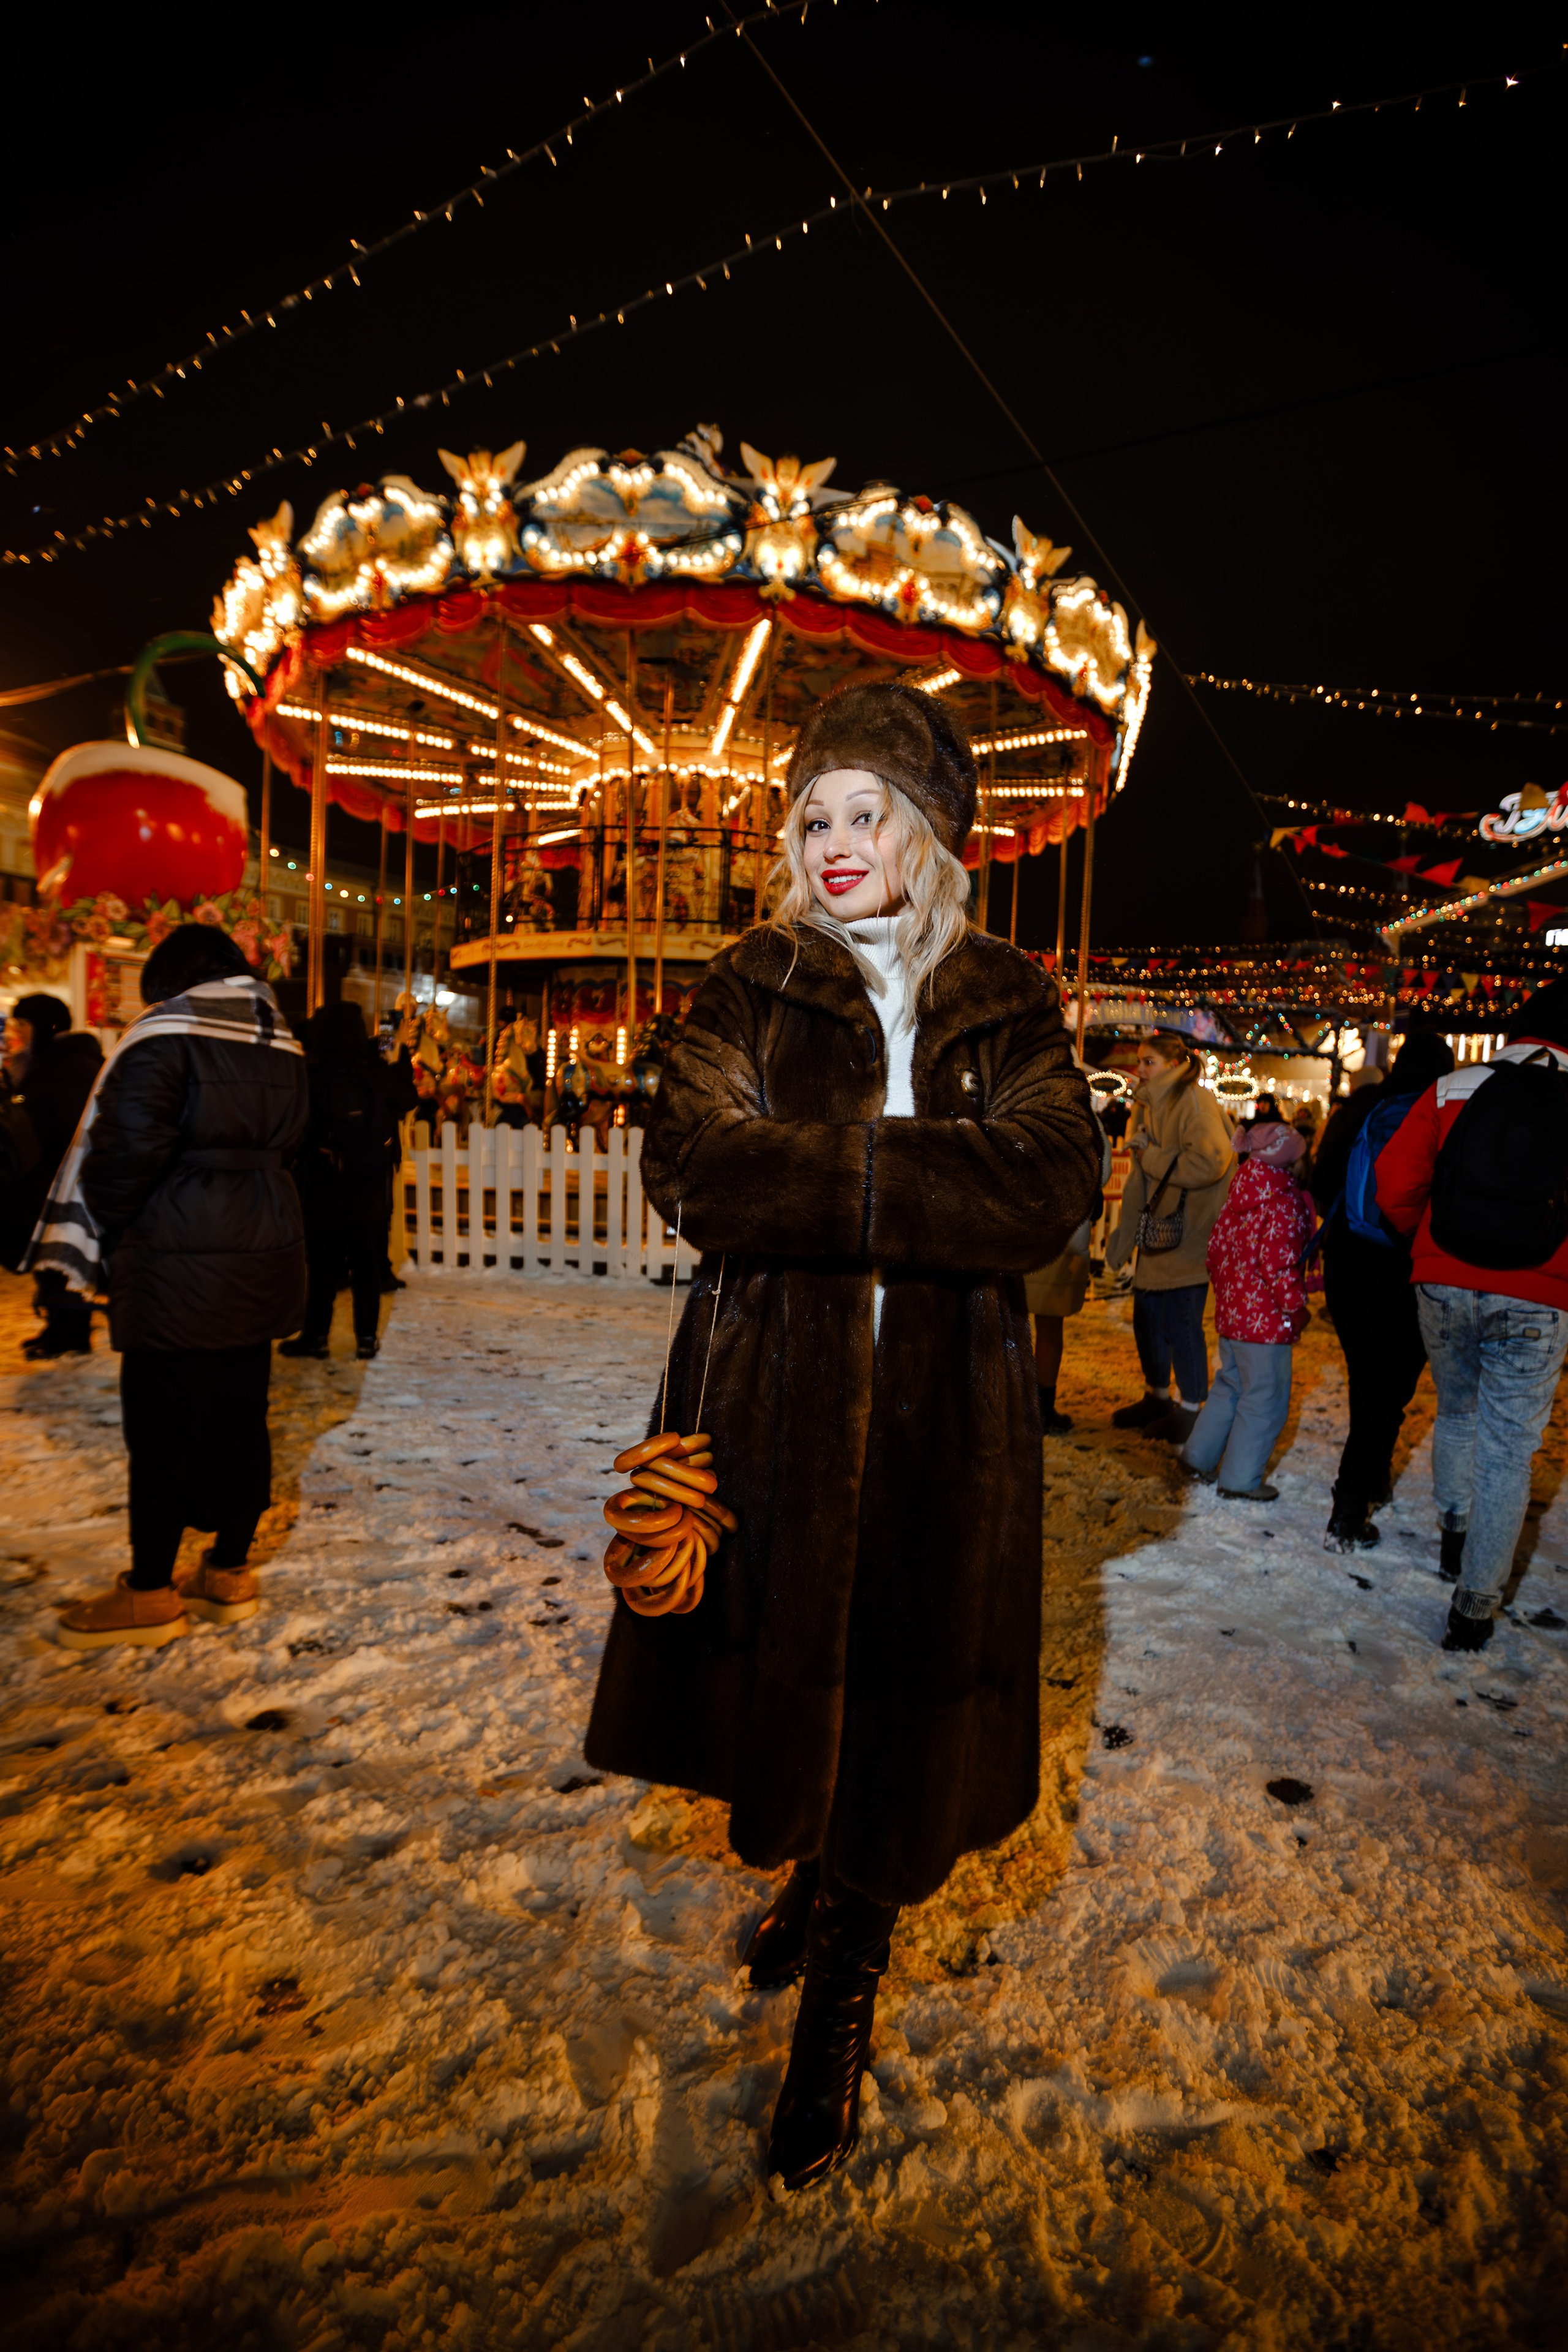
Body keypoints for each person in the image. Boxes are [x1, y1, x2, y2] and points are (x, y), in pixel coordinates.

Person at [583, 680, 1101, 2194]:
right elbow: (687, 1162)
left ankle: (842, 1989)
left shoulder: (999, 991)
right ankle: (810, 1866)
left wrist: (829, 1177)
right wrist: (913, 1179)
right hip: (769, 1401)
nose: (832, 840)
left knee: (898, 1678)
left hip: (951, 1419)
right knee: (792, 1651)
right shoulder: (750, 978)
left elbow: (1051, 1173)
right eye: (810, 814)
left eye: (863, 810)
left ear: (927, 829)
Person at [32, 925, 308, 1651]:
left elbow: (125, 1148)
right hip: (261, 1239)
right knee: (241, 1413)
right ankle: (229, 1573)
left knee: (160, 1426)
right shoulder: (278, 1037)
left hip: (178, 1245)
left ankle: (150, 1591)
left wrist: (116, 1228)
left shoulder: (167, 1034)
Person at [1376, 978, 1568, 1652]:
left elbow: (1394, 1182)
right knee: (1510, 1452)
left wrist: (1423, 1243)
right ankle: (1475, 1606)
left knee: (1455, 1411)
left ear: (1517, 1030)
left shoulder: (1454, 1086)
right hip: (1540, 1296)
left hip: (1442, 1280)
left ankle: (1453, 1537)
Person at [1310, 1028, 1455, 1550]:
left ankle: (1370, 1479)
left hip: (1348, 1265)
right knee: (1388, 1391)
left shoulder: (1359, 1107)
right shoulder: (1439, 1114)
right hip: (1405, 1268)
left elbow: (1322, 1182)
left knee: (1366, 1379)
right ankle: (1350, 1507)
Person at [1104, 1033, 1236, 1442]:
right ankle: (1158, 1396)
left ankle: (1192, 1408)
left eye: (1150, 1062)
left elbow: (1212, 1160)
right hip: (1159, 1230)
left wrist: (1151, 1156)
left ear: (1173, 1064)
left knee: (1181, 1324)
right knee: (1148, 1321)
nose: (1141, 1069)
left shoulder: (1194, 1101)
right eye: (1141, 1062)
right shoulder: (1150, 1102)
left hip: (1190, 1231)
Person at [1179, 1120, 1316, 1500]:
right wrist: (1297, 1308)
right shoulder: (1284, 1201)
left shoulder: (1239, 1193)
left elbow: (1216, 1253)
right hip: (1268, 1322)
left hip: (1234, 1315)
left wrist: (1231, 1296)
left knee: (1229, 1387)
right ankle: (1239, 1479)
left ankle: (1198, 1458)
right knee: (1264, 1399)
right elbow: (1279, 1264)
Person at [281, 1000, 418, 1362]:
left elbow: (297, 1128)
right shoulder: (375, 1067)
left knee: (323, 1265)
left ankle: (316, 1338)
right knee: (367, 1266)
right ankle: (367, 1339)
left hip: (325, 1183)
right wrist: (396, 1056)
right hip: (370, 1183)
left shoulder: (312, 1070)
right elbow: (407, 1099)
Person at [1, 994, 104, 1357]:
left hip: (62, 1184)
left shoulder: (71, 1066)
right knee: (48, 1262)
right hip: (43, 1184)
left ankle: (71, 1334)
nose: (15, 1034)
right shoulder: (46, 1063)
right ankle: (58, 1328)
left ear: (47, 1028)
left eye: (23, 1026)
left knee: (60, 1261)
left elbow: (72, 1131)